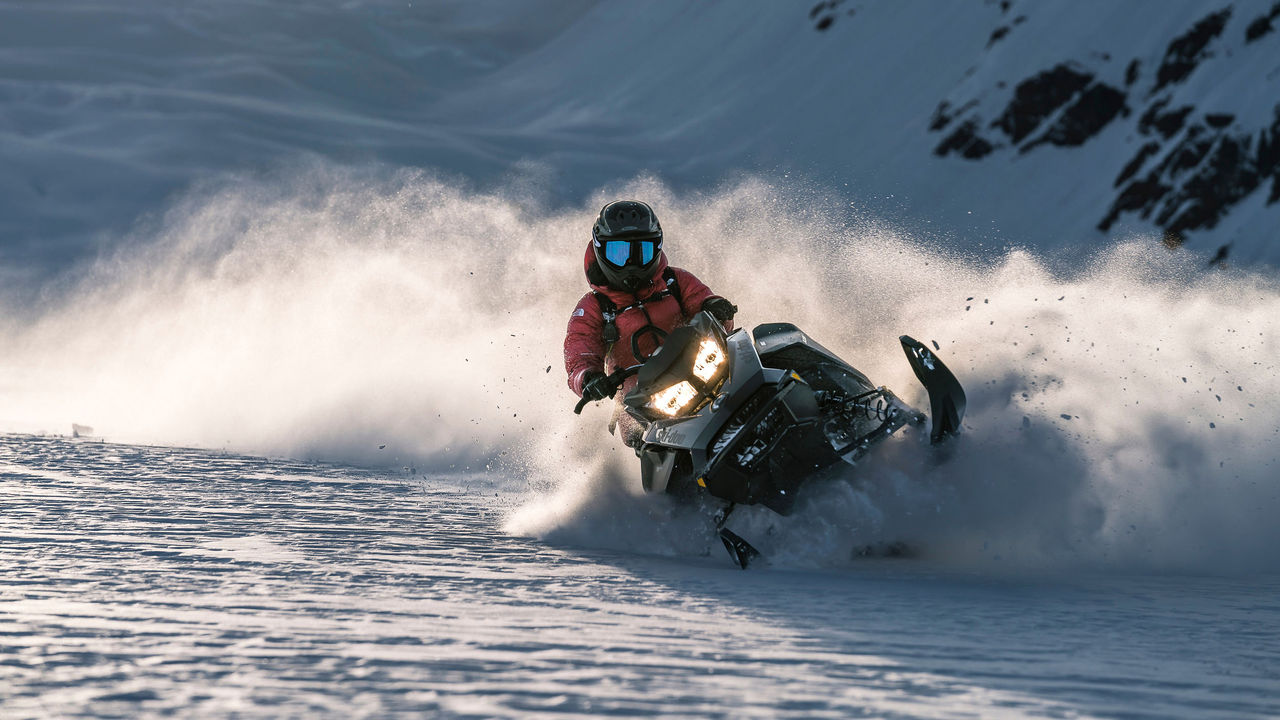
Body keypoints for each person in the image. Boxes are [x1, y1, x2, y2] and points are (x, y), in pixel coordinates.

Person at [564, 200, 737, 448]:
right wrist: (590, 378)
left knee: (757, 348)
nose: (632, 264)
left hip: (702, 368)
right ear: (601, 252)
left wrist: (717, 306)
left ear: (657, 247)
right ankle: (668, 482)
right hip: (642, 401)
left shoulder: (674, 281)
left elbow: (705, 302)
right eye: (619, 254)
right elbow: (579, 352)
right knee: (640, 439)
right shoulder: (593, 308)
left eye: (642, 252)